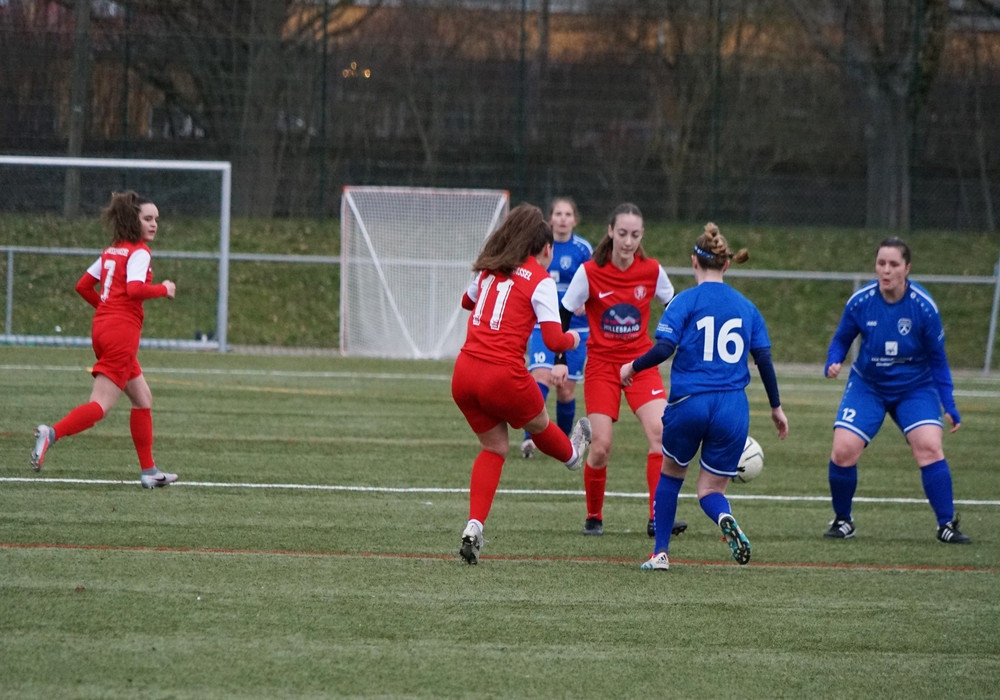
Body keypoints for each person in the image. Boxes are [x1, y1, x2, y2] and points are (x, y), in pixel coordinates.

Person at [621, 223, 788, 570]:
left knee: (671, 474)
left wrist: (632, 367)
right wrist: (776, 407)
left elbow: (664, 348)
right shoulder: (747, 307)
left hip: (690, 402)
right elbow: (764, 360)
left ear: (694, 262)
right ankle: (724, 516)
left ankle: (661, 553)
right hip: (732, 407)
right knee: (711, 490)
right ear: (726, 264)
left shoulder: (684, 301)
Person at [452, 203, 593, 564]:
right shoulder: (540, 279)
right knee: (540, 423)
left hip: (464, 373)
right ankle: (573, 455)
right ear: (545, 248)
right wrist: (575, 339)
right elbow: (554, 339)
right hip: (502, 375)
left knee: (494, 448)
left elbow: (467, 302)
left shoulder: (489, 268)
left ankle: (473, 526)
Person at [822, 237, 970, 544]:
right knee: (843, 450)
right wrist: (833, 361)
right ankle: (843, 520)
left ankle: (946, 525)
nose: (886, 270)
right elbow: (841, 339)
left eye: (893, 264)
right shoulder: (861, 301)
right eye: (881, 263)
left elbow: (938, 360)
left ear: (907, 268)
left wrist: (949, 403)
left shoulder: (923, 307)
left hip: (915, 387)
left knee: (929, 446)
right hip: (869, 385)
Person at [30, 190, 178, 489]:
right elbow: (135, 290)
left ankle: (149, 471)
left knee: (142, 398)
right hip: (121, 333)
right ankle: (52, 433)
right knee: (100, 405)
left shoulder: (113, 251)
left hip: (103, 329)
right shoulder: (139, 252)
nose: (154, 224)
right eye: (148, 218)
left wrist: (108, 309)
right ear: (133, 220)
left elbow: (83, 286)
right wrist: (164, 288)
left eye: (156, 219)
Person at [560, 202, 686, 538]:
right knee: (601, 446)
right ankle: (594, 516)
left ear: (642, 235)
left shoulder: (652, 270)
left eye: (635, 235)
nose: (628, 241)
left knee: (662, 434)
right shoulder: (589, 272)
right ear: (610, 232)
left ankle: (657, 517)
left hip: (641, 363)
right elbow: (564, 312)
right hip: (602, 365)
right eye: (622, 234)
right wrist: (559, 359)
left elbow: (674, 306)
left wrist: (675, 339)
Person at [521, 196, 593, 458]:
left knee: (565, 390)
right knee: (540, 378)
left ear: (575, 219)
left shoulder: (583, 249)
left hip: (575, 328)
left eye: (568, 214)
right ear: (550, 218)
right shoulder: (538, 246)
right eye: (558, 214)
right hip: (543, 323)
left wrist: (585, 299)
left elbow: (595, 280)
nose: (563, 219)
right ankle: (529, 440)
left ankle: (560, 443)